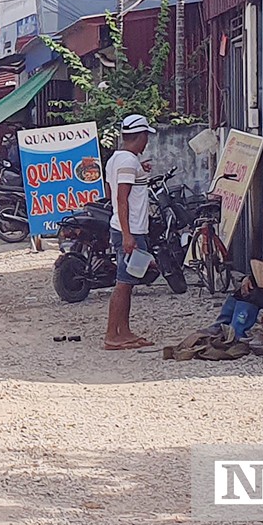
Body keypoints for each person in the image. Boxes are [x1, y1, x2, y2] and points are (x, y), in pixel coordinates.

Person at [103, 114, 155, 351]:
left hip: (128, 227)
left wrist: (139, 171)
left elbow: (111, 190)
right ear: (141, 136)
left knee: (129, 282)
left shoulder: (118, 160)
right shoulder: (128, 162)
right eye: (146, 137)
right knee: (123, 283)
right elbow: (121, 199)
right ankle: (112, 335)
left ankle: (123, 331)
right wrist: (127, 235)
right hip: (130, 229)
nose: (147, 143)